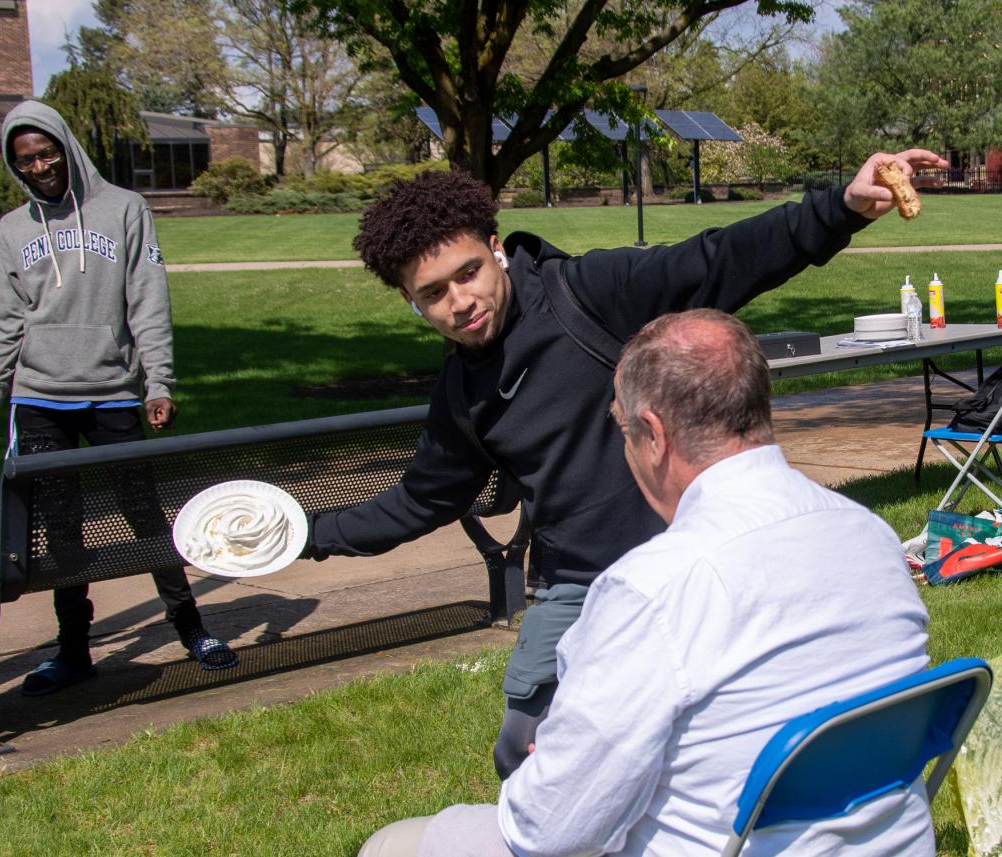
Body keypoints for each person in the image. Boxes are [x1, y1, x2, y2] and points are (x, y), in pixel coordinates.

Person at [304, 150, 947, 779]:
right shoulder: (461, 394)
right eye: (433, 293)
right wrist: (301, 533)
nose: (459, 302)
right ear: (410, 302)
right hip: (580, 585)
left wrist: (841, 208)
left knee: (716, 743)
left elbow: (720, 260)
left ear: (495, 247)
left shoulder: (585, 293)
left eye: (468, 272)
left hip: (693, 566)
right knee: (523, 756)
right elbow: (423, 500)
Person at [359, 309, 933, 856]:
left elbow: (550, 831)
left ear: (653, 434)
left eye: (623, 431)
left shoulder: (653, 588)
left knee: (395, 844)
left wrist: (557, 769)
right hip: (889, 841)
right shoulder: (871, 535)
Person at [0, 100, 238, 696]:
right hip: (39, 398)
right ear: (14, 166)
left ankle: (191, 626)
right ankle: (73, 649)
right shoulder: (12, 230)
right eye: (25, 160)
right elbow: (5, 321)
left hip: (113, 392)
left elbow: (148, 301)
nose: (38, 167)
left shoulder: (123, 209)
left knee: (143, 516)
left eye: (46, 152)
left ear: (66, 145)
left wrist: (157, 382)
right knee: (62, 532)